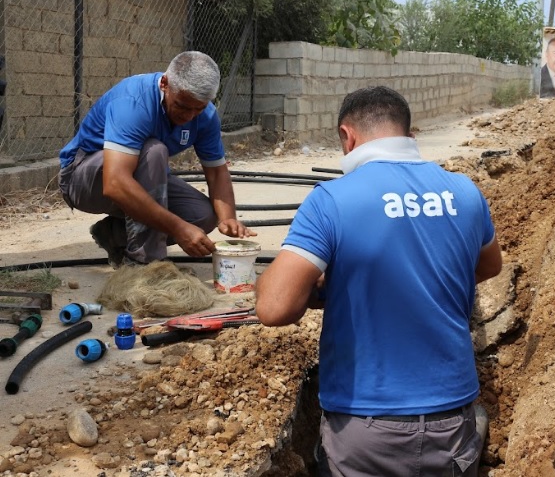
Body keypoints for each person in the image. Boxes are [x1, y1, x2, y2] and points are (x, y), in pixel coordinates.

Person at [255, 86, 503, 476]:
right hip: (452, 422)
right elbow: (489, 267)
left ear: (346, 137)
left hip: (366, 430)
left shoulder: (331, 200)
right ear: (410, 135)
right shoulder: (465, 193)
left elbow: (274, 308)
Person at [58, 51, 253, 267]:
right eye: (182, 105)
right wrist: (178, 228)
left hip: (134, 178)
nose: (188, 116)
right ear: (165, 84)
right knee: (154, 151)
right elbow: (115, 183)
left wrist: (227, 219)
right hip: (83, 180)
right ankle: (146, 265)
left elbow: (216, 172)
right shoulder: (134, 101)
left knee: (202, 216)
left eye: (198, 109)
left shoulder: (206, 116)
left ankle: (114, 235)